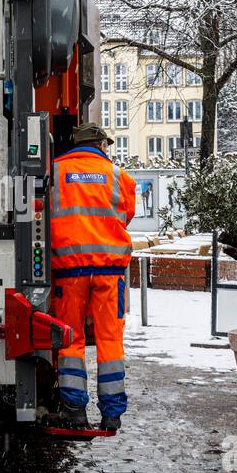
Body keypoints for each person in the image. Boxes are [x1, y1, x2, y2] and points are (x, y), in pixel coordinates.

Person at [48, 123, 137, 431]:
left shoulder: (55, 172)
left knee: (71, 338)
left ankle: (74, 409)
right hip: (109, 274)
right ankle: (112, 413)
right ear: (100, 144)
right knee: (110, 340)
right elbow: (126, 214)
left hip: (69, 272)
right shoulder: (118, 176)